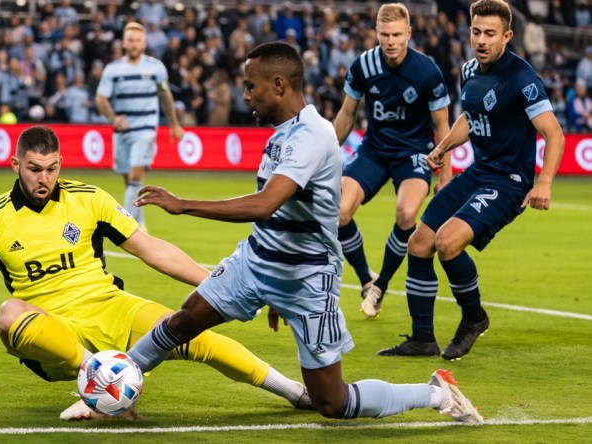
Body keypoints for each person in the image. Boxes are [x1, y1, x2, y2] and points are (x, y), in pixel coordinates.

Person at [126, 41, 482, 424]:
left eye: (251, 86)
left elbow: (265, 204)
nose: (245, 95)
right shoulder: (283, 131)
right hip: (257, 261)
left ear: (278, 85)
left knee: (333, 403)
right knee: (183, 321)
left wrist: (183, 205)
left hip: (307, 277)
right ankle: (114, 384)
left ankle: (435, 393)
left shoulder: (311, 135)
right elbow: (273, 214)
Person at [0, 126, 313, 421]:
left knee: (196, 332)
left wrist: (219, 286)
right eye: (34, 168)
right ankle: (104, 379)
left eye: (52, 168)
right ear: (14, 163)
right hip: (54, 336)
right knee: (6, 313)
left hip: (111, 309)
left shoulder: (89, 199)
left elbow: (153, 250)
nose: (45, 178)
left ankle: (295, 392)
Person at [377, 0, 564, 360]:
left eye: (490, 34)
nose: (481, 40)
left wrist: (544, 182)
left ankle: (474, 317)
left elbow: (554, 134)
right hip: (477, 172)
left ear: (507, 36)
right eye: (476, 32)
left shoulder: (521, 77)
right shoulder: (469, 70)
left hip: (508, 181)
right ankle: (422, 339)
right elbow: (468, 118)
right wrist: (443, 148)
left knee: (447, 243)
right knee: (418, 243)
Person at [332, 3, 451, 319]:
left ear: (408, 33)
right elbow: (346, 114)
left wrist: (446, 174)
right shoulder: (363, 66)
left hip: (413, 152)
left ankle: (381, 286)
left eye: (397, 34)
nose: (391, 41)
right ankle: (366, 279)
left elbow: (443, 126)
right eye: (384, 34)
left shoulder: (427, 71)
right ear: (376, 33)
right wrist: (325, 156)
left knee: (406, 213)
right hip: (374, 150)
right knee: (339, 211)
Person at [95, 22, 184, 231]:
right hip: (122, 130)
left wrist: (174, 124)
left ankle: (126, 227)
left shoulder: (155, 67)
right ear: (124, 43)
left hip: (145, 128)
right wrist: (113, 118)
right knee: (129, 181)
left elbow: (165, 96)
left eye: (137, 40)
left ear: (144, 44)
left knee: (136, 177)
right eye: (130, 40)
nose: (134, 44)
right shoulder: (113, 69)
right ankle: (140, 222)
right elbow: (101, 99)